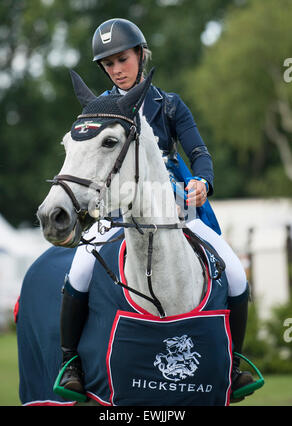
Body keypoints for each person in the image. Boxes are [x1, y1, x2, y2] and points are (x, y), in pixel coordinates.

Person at [57, 18, 253, 402]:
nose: (117, 70)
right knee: (79, 268)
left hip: (176, 208)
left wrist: (202, 182)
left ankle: (234, 363)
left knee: (235, 273)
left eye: (122, 59)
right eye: (109, 64)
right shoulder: (101, 109)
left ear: (140, 56)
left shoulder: (170, 104)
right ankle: (71, 363)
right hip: (116, 210)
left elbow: (199, 153)